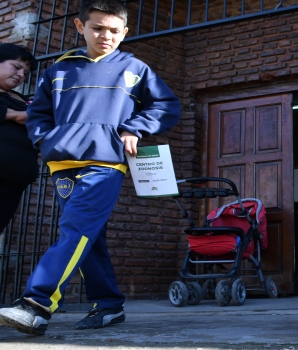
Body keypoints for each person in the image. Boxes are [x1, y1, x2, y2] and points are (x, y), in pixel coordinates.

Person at [0, 0, 180, 336]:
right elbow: (39, 113)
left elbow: (167, 105)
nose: (106, 35)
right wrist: (45, 141)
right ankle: (109, 303)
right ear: (81, 27)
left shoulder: (136, 69)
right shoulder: (59, 69)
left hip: (106, 164)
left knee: (75, 229)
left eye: (114, 30)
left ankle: (36, 304)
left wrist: (134, 127)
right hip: (62, 165)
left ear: (125, 32)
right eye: (98, 28)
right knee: (87, 235)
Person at [0, 44, 39, 233]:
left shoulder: (21, 98)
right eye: (16, 67)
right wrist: (14, 115)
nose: (21, 75)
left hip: (14, 181)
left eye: (25, 72)